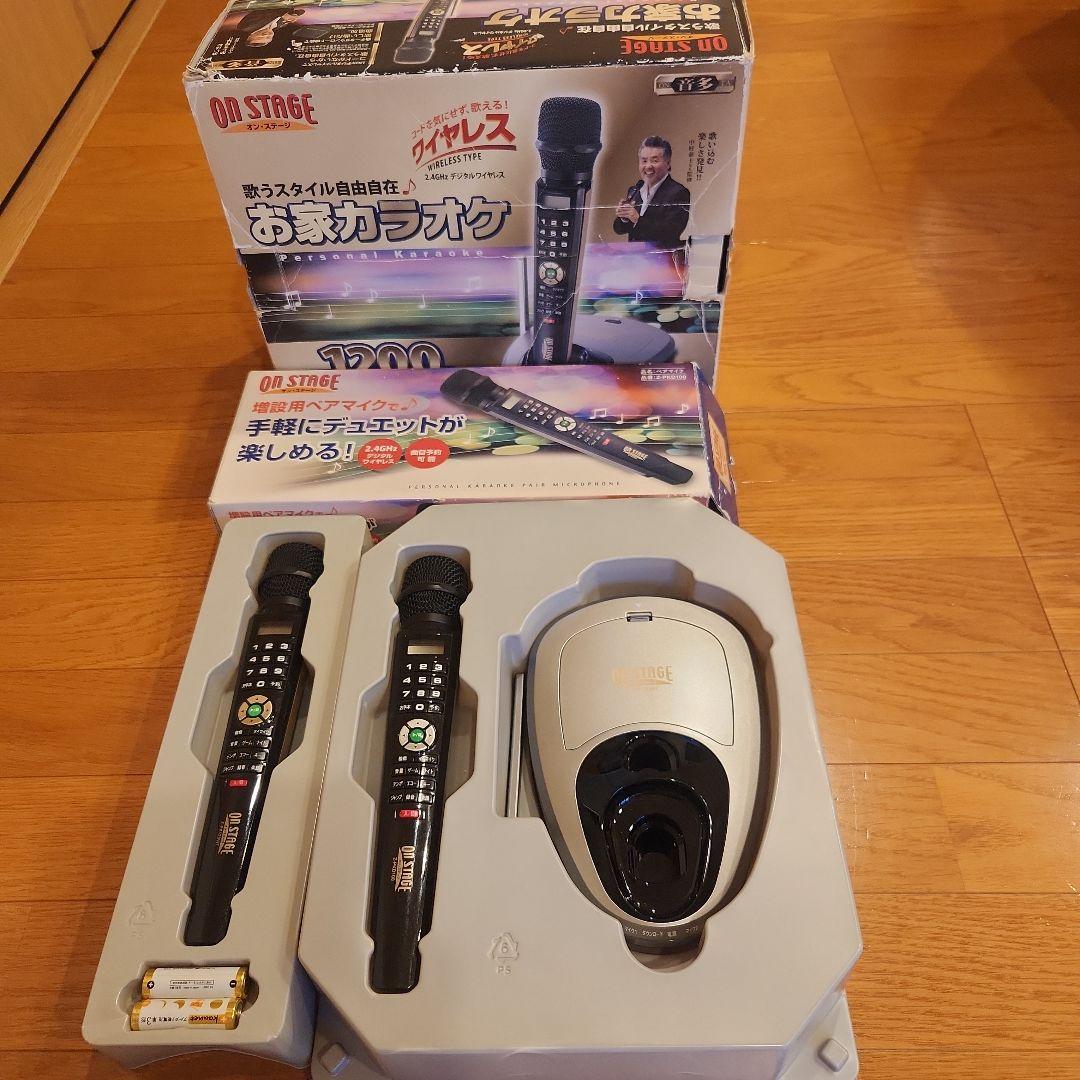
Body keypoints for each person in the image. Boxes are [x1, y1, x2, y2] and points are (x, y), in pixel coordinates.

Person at [613, 136, 691, 248]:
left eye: (654, 161)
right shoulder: (635, 189)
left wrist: (637, 219)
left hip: (661, 257)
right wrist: (624, 217)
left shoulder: (679, 192)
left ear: (668, 163)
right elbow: (619, 229)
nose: (648, 166)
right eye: (644, 161)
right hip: (634, 255)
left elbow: (672, 232)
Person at [236, 6, 306, 48]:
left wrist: (283, 15)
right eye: (268, 38)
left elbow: (260, 10)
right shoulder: (279, 26)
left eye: (260, 37)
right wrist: (295, 15)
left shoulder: (245, 26)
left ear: (250, 36)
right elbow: (297, 11)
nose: (266, 35)